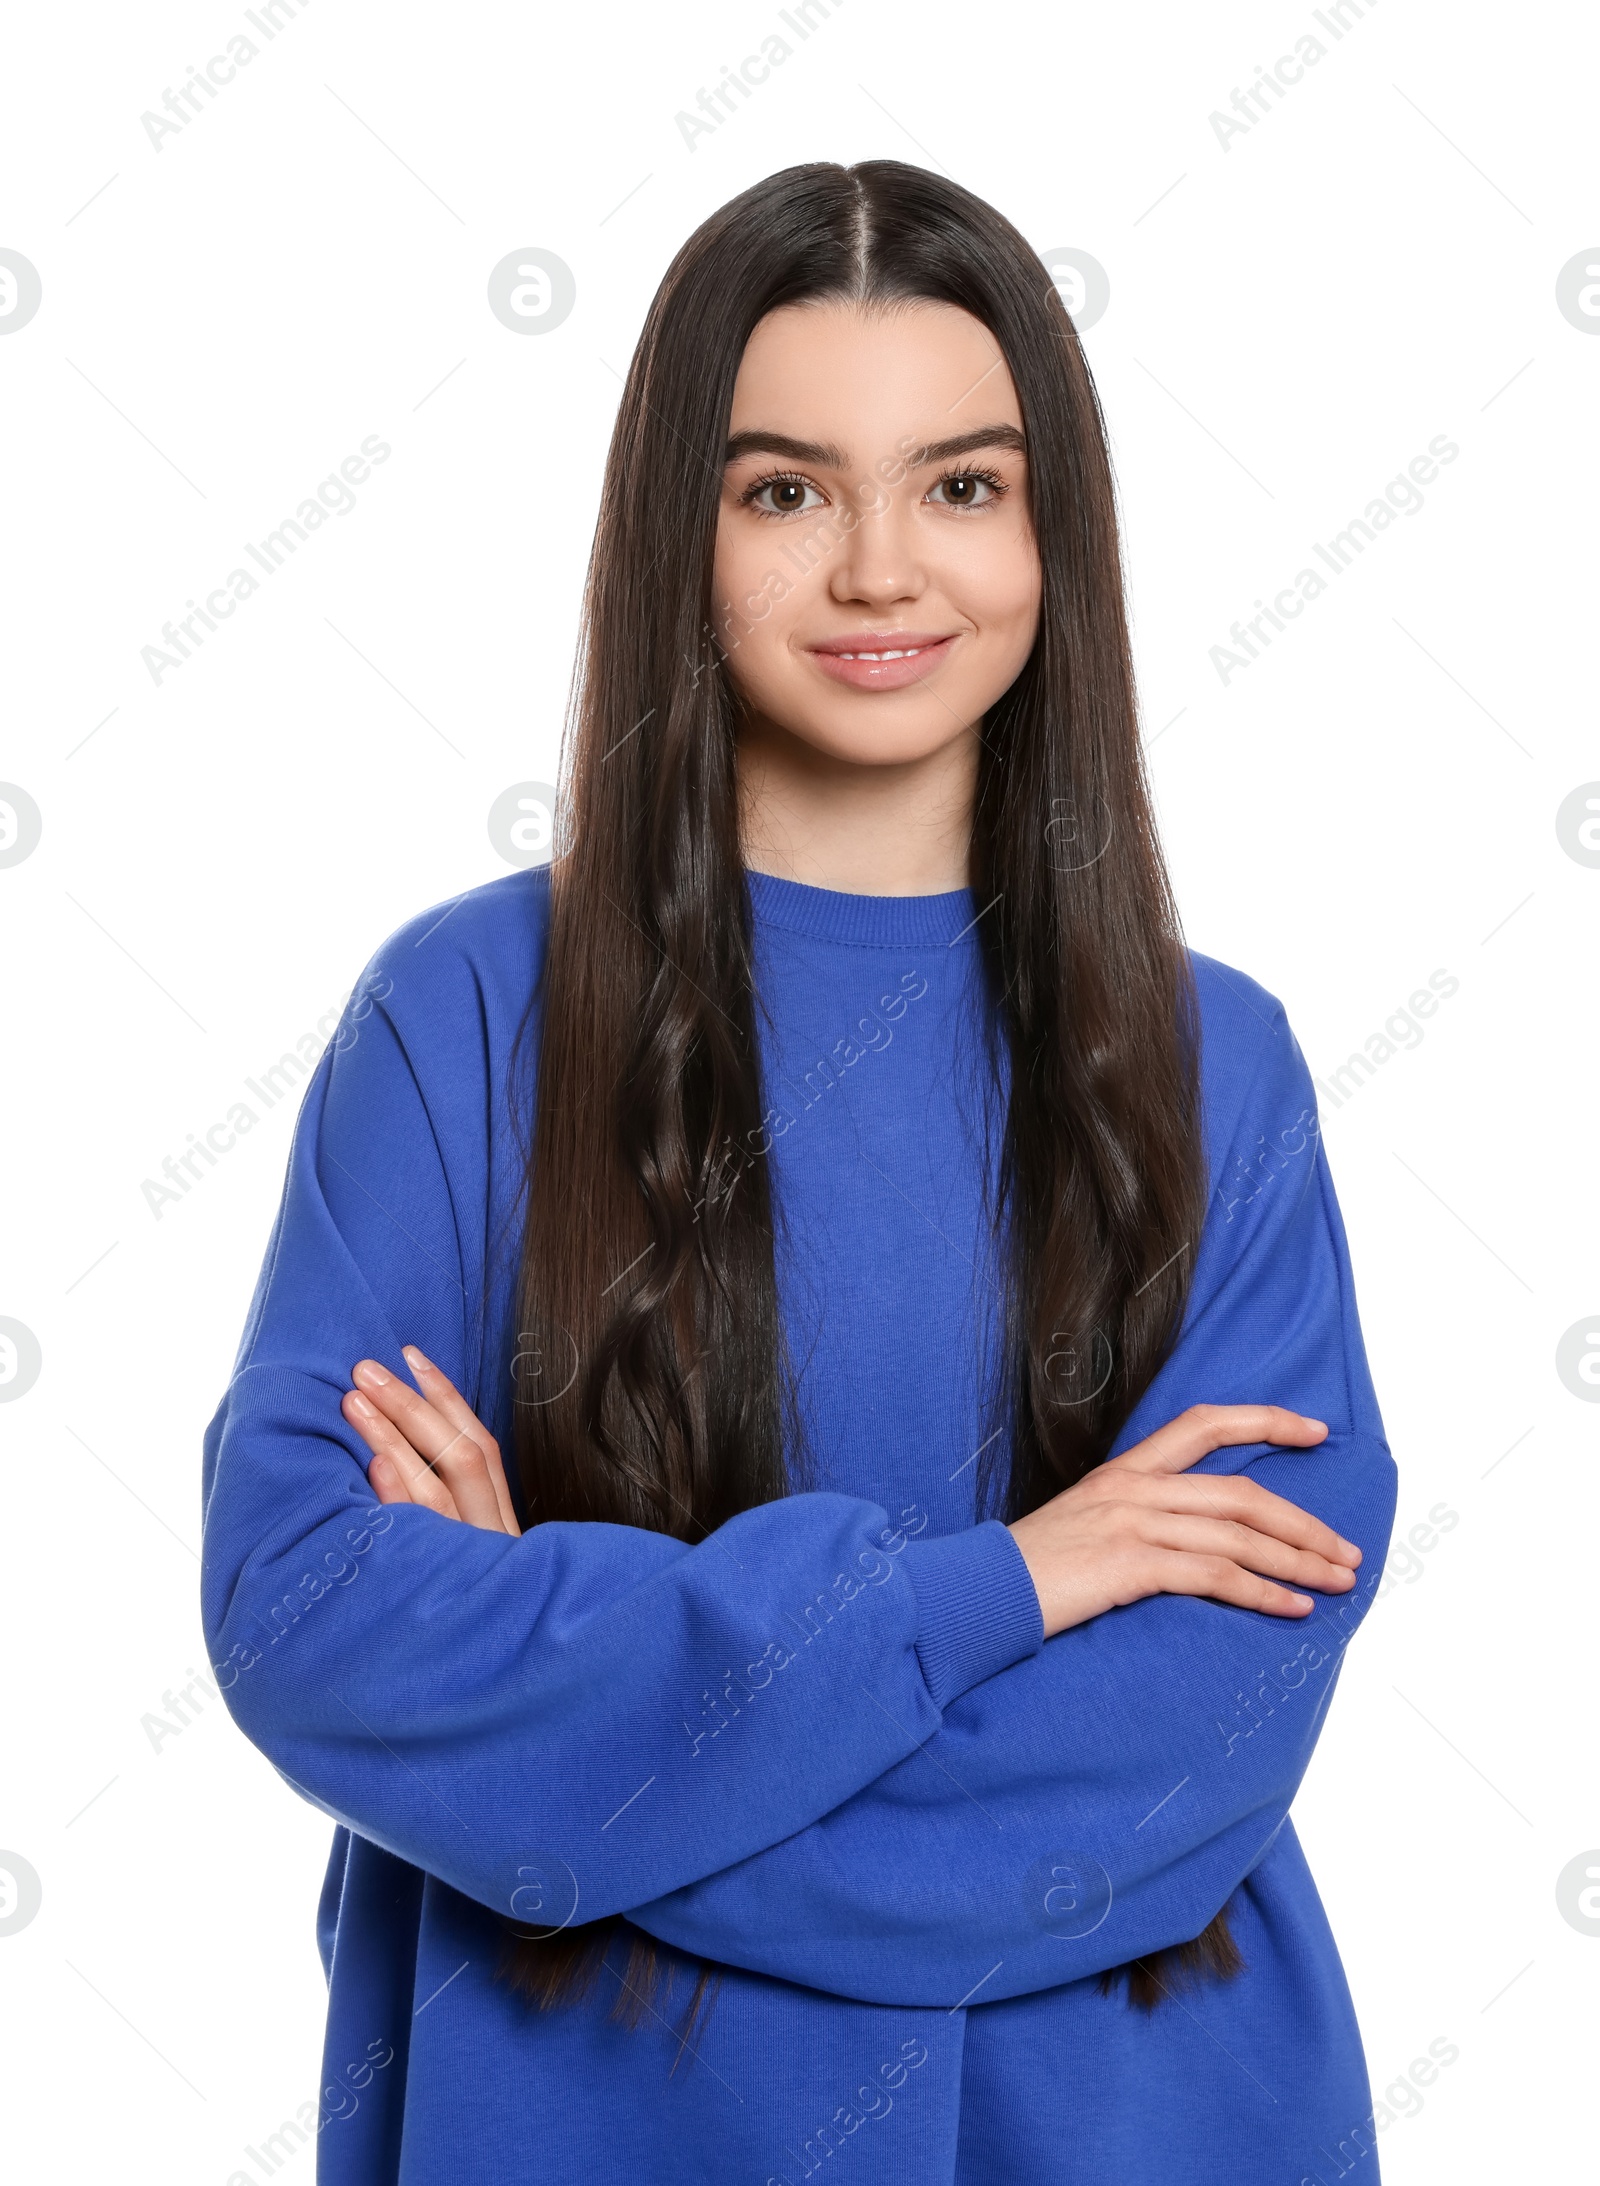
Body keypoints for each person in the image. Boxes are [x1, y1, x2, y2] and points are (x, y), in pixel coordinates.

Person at [200, 159, 1398, 2185]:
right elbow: (310, 1610)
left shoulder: (1219, 1064)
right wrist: (1002, 1587)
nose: (874, 569)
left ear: (1050, 533)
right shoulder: (463, 1017)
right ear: (681, 529)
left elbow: (1190, 1729)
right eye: (781, 490)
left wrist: (571, 1774)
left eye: (956, 485)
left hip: (1137, 2121)